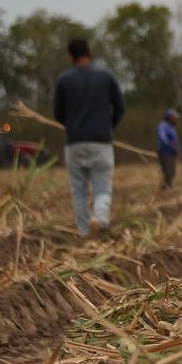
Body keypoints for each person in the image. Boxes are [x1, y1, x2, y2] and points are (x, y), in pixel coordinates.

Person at [52, 39, 125, 236]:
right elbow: (120, 107)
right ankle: (100, 220)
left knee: (79, 191)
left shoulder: (64, 80)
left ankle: (84, 231)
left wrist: (72, 126)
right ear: (89, 53)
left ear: (71, 56)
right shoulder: (106, 77)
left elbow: (58, 113)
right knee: (102, 188)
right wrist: (109, 127)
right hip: (101, 141)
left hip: (75, 142)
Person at [156, 109, 180, 190]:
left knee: (172, 172)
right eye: (174, 117)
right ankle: (164, 189)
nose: (176, 119)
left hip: (172, 152)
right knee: (167, 172)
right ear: (169, 117)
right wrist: (170, 145)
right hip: (165, 152)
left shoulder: (171, 127)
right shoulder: (163, 126)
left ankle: (168, 187)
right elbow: (162, 138)